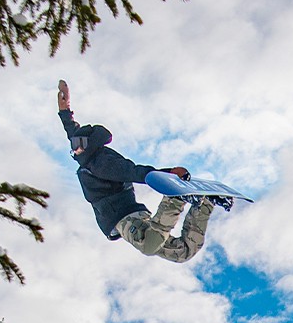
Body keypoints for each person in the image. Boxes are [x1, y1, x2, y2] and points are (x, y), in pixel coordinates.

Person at [57, 80, 216, 263]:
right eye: (73, 146)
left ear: (90, 144)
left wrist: (168, 175)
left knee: (150, 245)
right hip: (131, 216)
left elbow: (132, 171)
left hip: (123, 217)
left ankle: (176, 198)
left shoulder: (101, 162)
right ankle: (206, 204)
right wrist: (65, 111)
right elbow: (73, 132)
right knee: (182, 252)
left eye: (78, 145)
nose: (75, 150)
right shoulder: (89, 157)